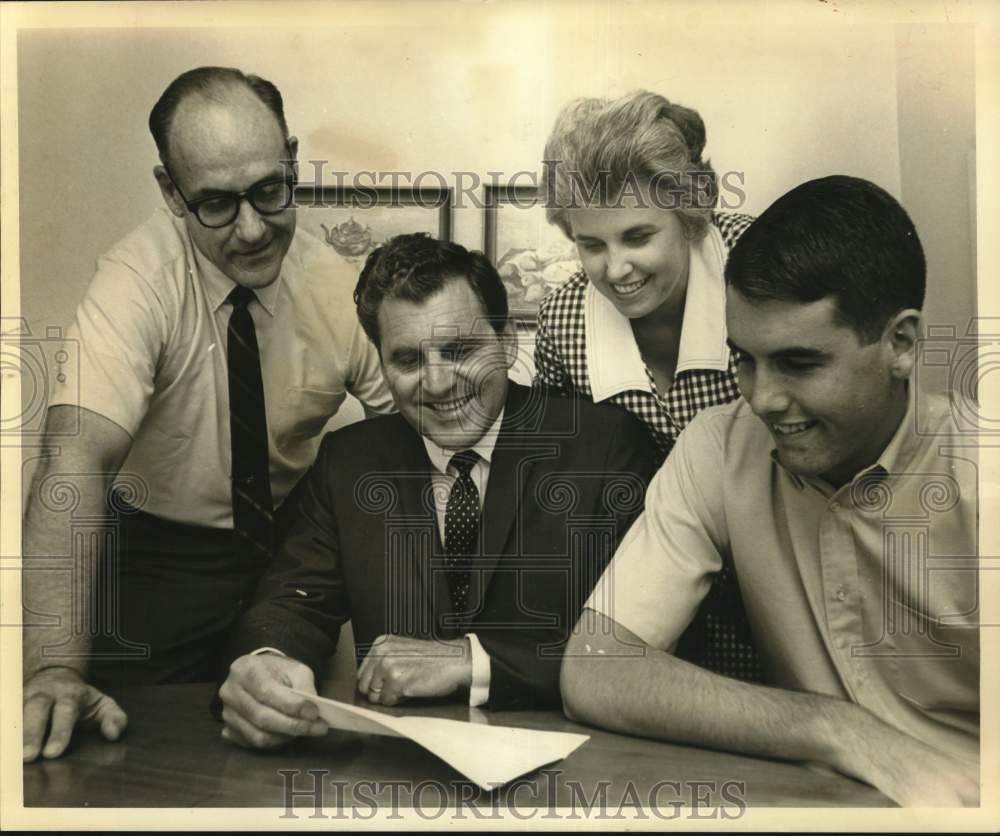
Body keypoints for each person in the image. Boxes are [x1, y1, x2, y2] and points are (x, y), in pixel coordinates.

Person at [561, 176, 979, 807]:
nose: (762, 399)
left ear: (901, 343)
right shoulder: (717, 446)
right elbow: (595, 666)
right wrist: (839, 730)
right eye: (744, 360)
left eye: (799, 363)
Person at [22, 66, 393, 762]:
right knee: (131, 755)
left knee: (286, 741)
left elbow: (409, 443)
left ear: (291, 156)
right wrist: (53, 669)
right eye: (217, 204)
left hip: (290, 560)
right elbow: (72, 460)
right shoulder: (135, 281)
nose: (253, 229)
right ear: (171, 191)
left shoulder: (338, 289)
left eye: (269, 191)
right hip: (158, 560)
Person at [217, 234, 656, 749]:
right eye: (408, 360)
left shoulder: (603, 447)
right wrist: (266, 664)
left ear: (507, 342)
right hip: (395, 778)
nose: (439, 383)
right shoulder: (349, 462)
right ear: (381, 365)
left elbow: (643, 648)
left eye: (460, 350)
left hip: (571, 776)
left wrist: (473, 661)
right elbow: (290, 605)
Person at [535, 89, 758, 680]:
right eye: (592, 244)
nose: (616, 269)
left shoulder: (757, 266)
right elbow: (567, 500)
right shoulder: (563, 324)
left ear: (690, 216)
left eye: (637, 236)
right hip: (645, 609)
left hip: (785, 585)